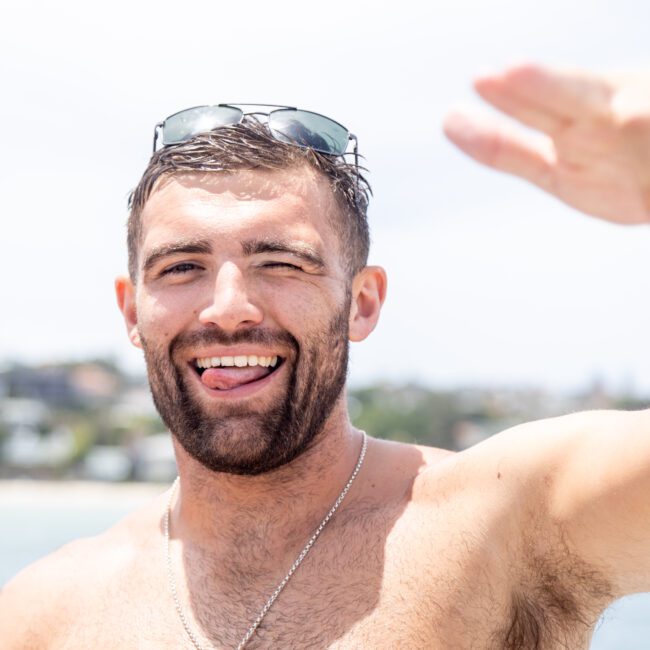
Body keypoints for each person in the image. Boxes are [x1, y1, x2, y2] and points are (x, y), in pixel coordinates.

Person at [1, 64, 648, 649]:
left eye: (280, 262)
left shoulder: (504, 528)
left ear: (363, 303)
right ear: (131, 312)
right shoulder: (45, 616)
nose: (228, 307)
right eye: (181, 267)